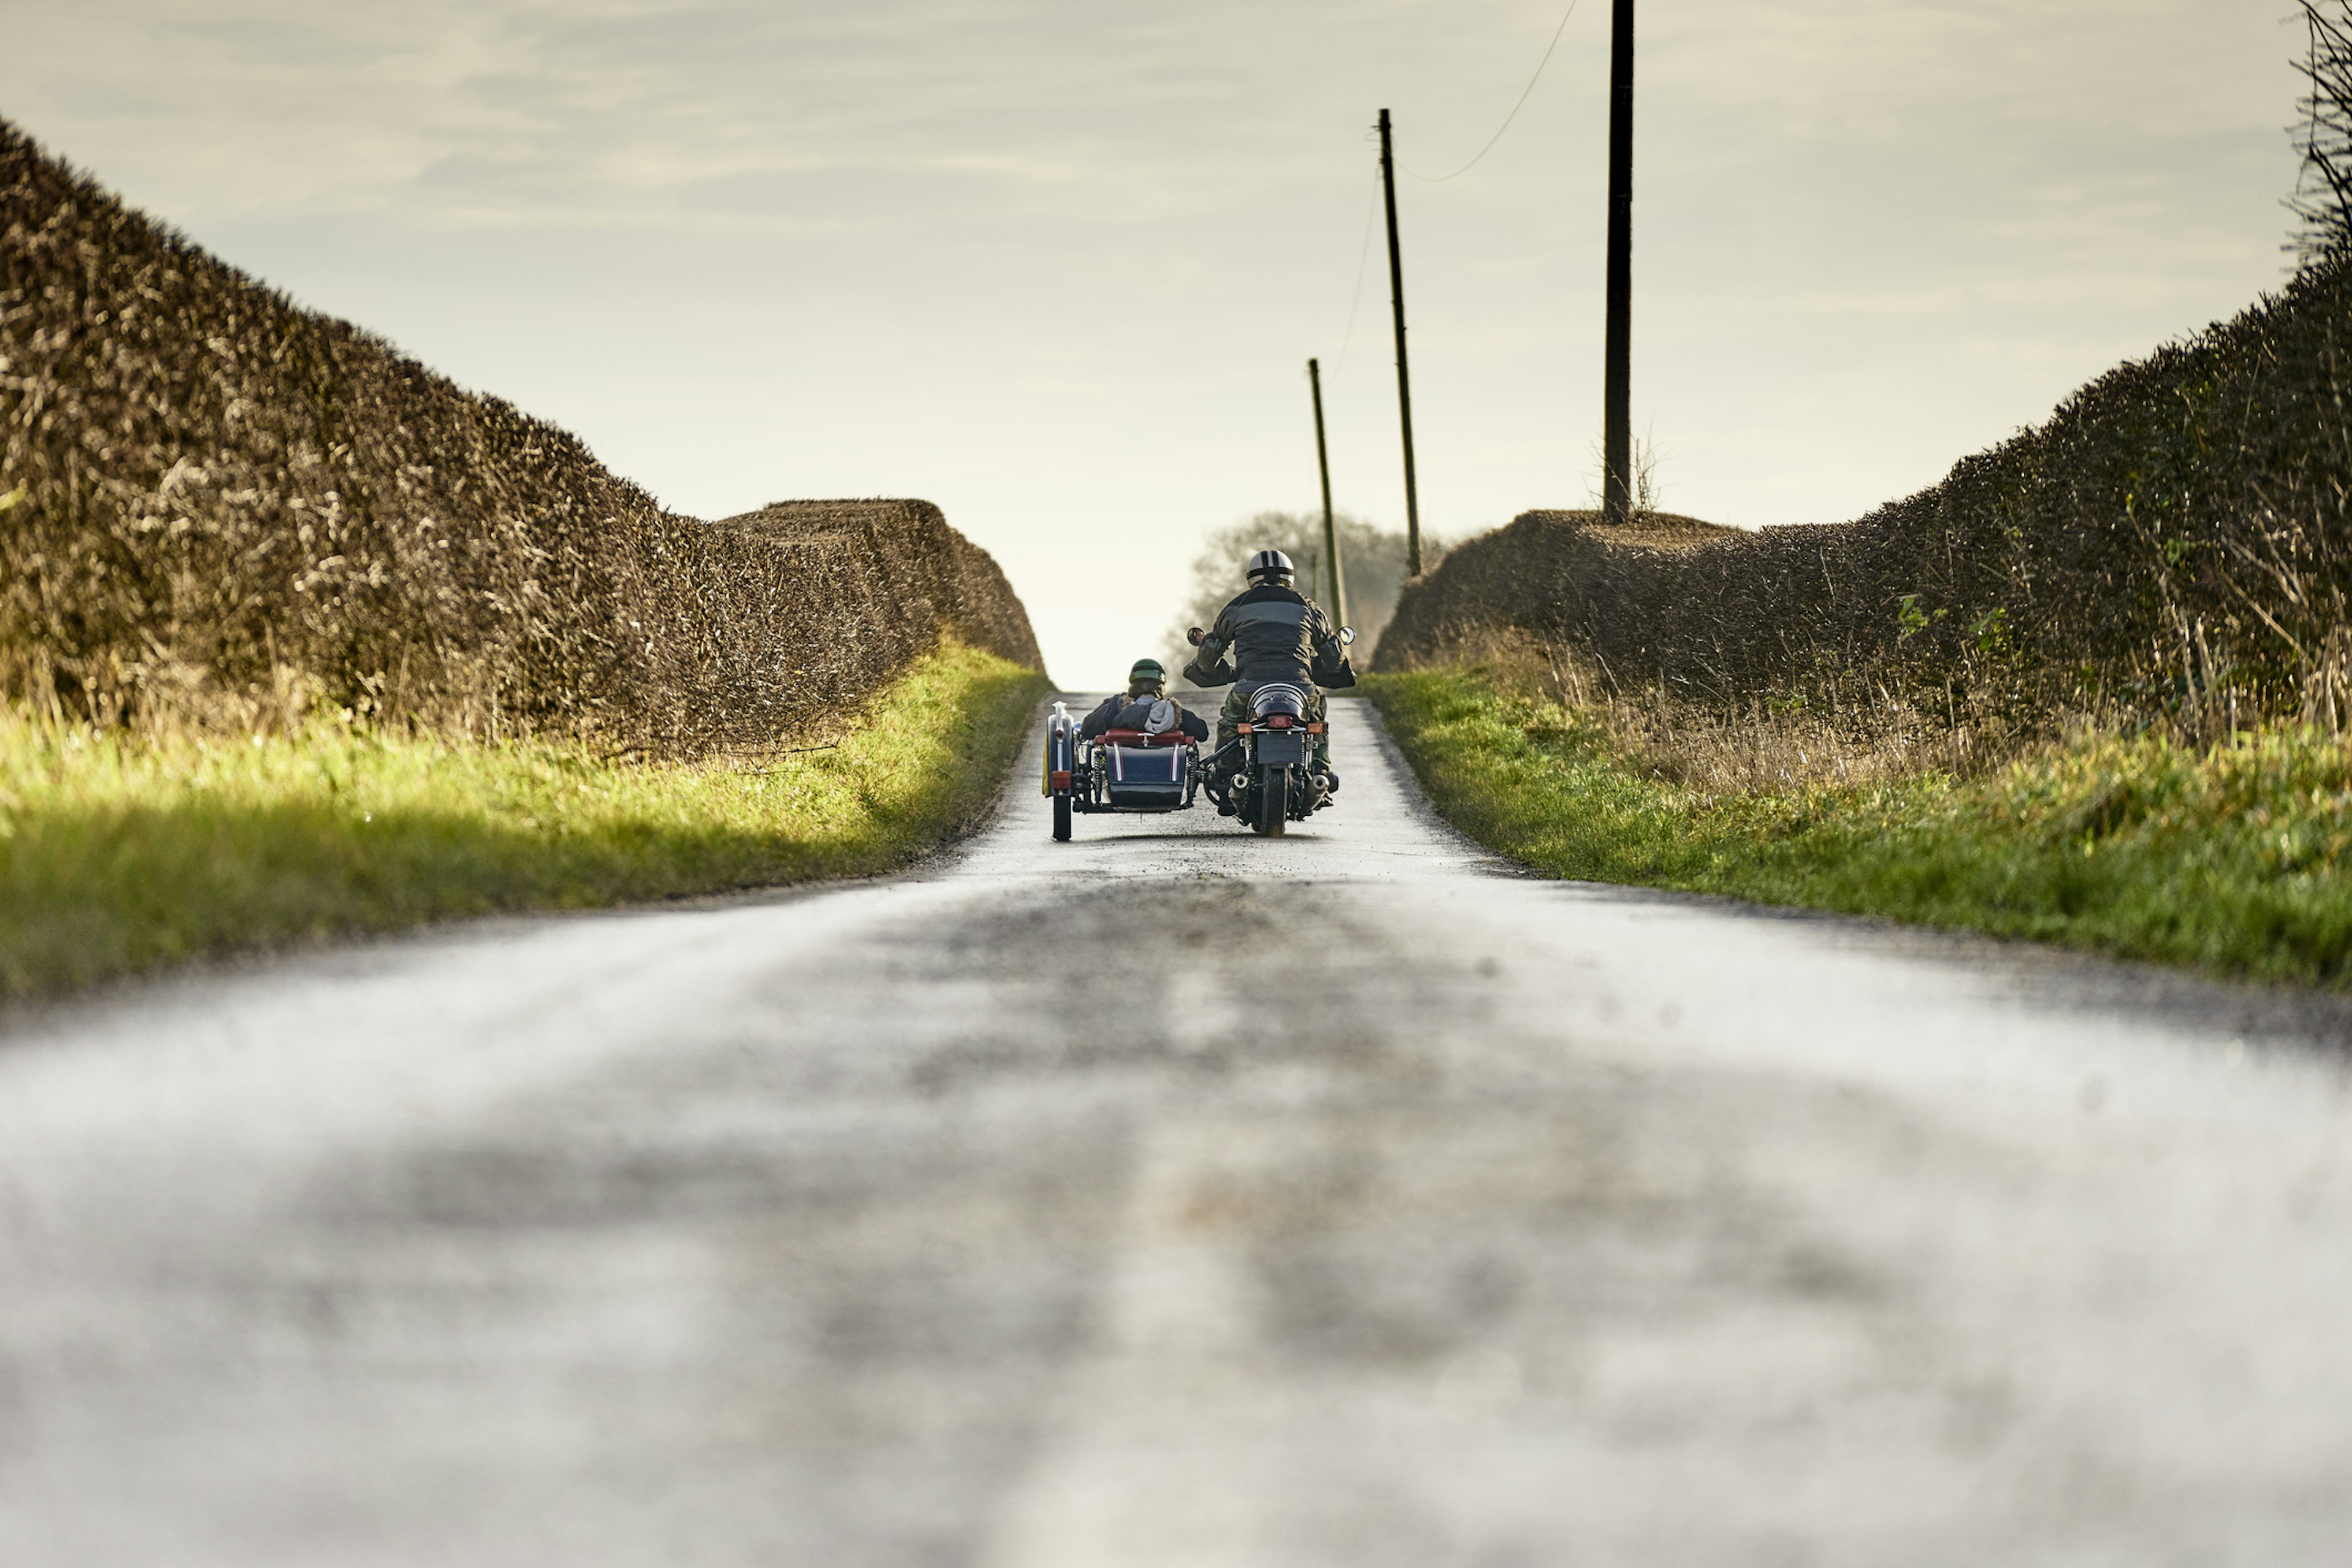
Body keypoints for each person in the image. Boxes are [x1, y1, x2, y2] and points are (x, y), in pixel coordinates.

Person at [1180, 548, 1354, 784]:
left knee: (1230, 726)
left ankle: (1225, 779)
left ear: (1252, 577)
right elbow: (1333, 657)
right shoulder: (1309, 608)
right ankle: (1320, 773)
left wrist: (1206, 667)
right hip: (1300, 686)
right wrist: (1335, 668)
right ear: (1289, 577)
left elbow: (1211, 652)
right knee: (1316, 723)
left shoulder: (1237, 607)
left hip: (1249, 686)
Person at [1080, 657, 1210, 742]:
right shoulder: (1173, 712)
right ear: (1161, 686)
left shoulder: (1115, 707)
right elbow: (1202, 733)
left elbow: (1087, 730)